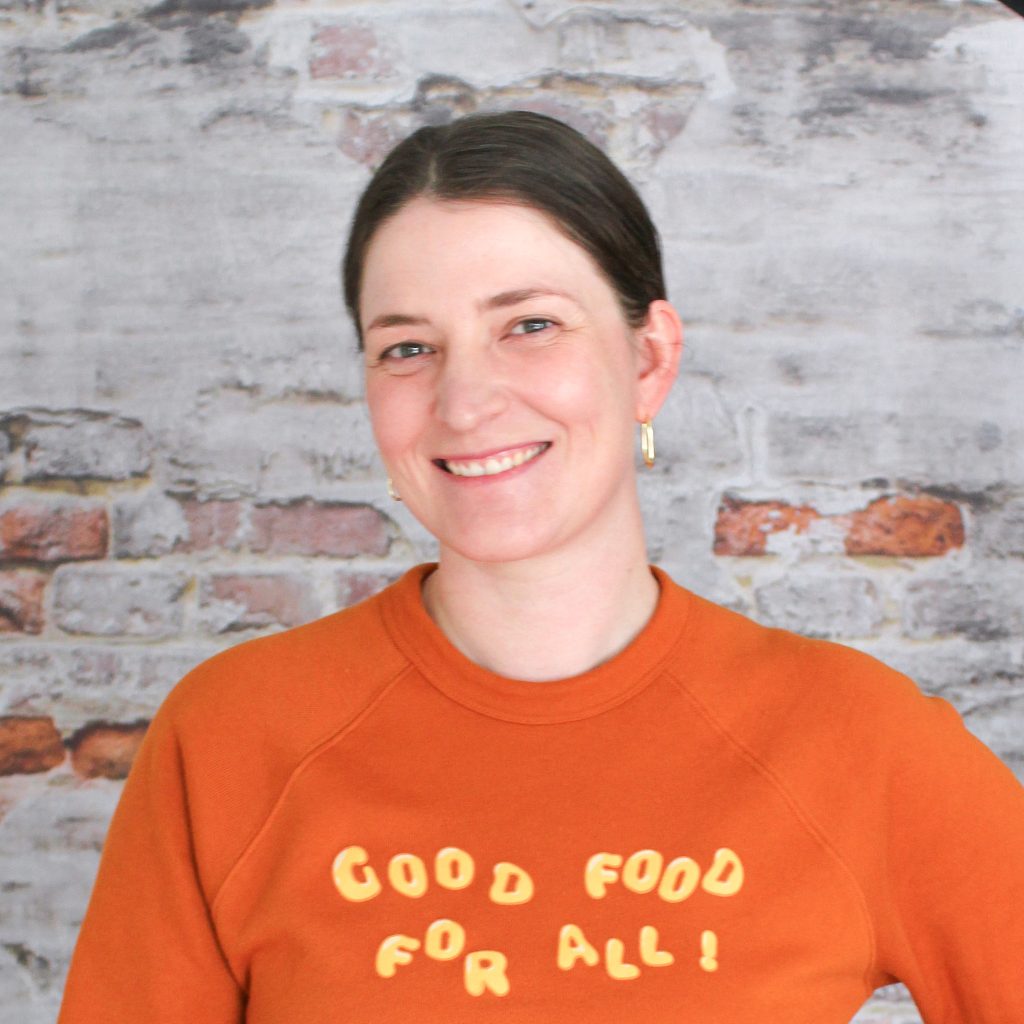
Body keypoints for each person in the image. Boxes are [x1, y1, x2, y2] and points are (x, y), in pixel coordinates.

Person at [58, 110, 1024, 1023]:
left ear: (648, 359)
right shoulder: (233, 736)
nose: (464, 401)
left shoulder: (853, 740)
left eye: (530, 325)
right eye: (407, 347)